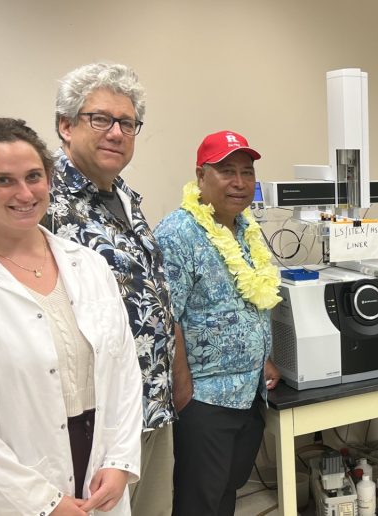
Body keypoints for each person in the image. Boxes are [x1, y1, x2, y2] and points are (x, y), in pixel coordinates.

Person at [0, 118, 142, 515]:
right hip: (12, 486)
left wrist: (120, 461)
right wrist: (41, 502)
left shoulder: (89, 265)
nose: (24, 193)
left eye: (34, 176)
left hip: (99, 469)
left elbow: (124, 371)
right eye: (4, 180)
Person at [46, 62, 177, 515]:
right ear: (65, 125)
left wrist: (175, 369)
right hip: (91, 420)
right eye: (99, 119)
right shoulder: (44, 202)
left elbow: (152, 294)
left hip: (151, 405)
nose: (116, 132)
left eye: (127, 123)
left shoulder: (124, 196)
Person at [154, 130, 283, 515]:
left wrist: (264, 358)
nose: (239, 183)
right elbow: (166, 316)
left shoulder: (246, 229)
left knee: (228, 490)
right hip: (205, 398)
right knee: (200, 500)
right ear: (200, 175)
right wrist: (183, 390)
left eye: (247, 172)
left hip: (249, 392)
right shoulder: (177, 234)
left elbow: (250, 303)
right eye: (227, 171)